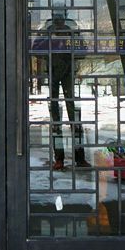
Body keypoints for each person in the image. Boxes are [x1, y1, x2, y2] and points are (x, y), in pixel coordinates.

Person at [36, 9, 87, 168]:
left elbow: (82, 50)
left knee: (74, 120)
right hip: (53, 75)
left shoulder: (72, 30)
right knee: (56, 121)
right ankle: (60, 158)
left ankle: (78, 157)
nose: (58, 20)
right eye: (56, 17)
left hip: (68, 75)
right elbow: (36, 49)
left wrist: (67, 49)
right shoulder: (46, 30)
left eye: (60, 17)